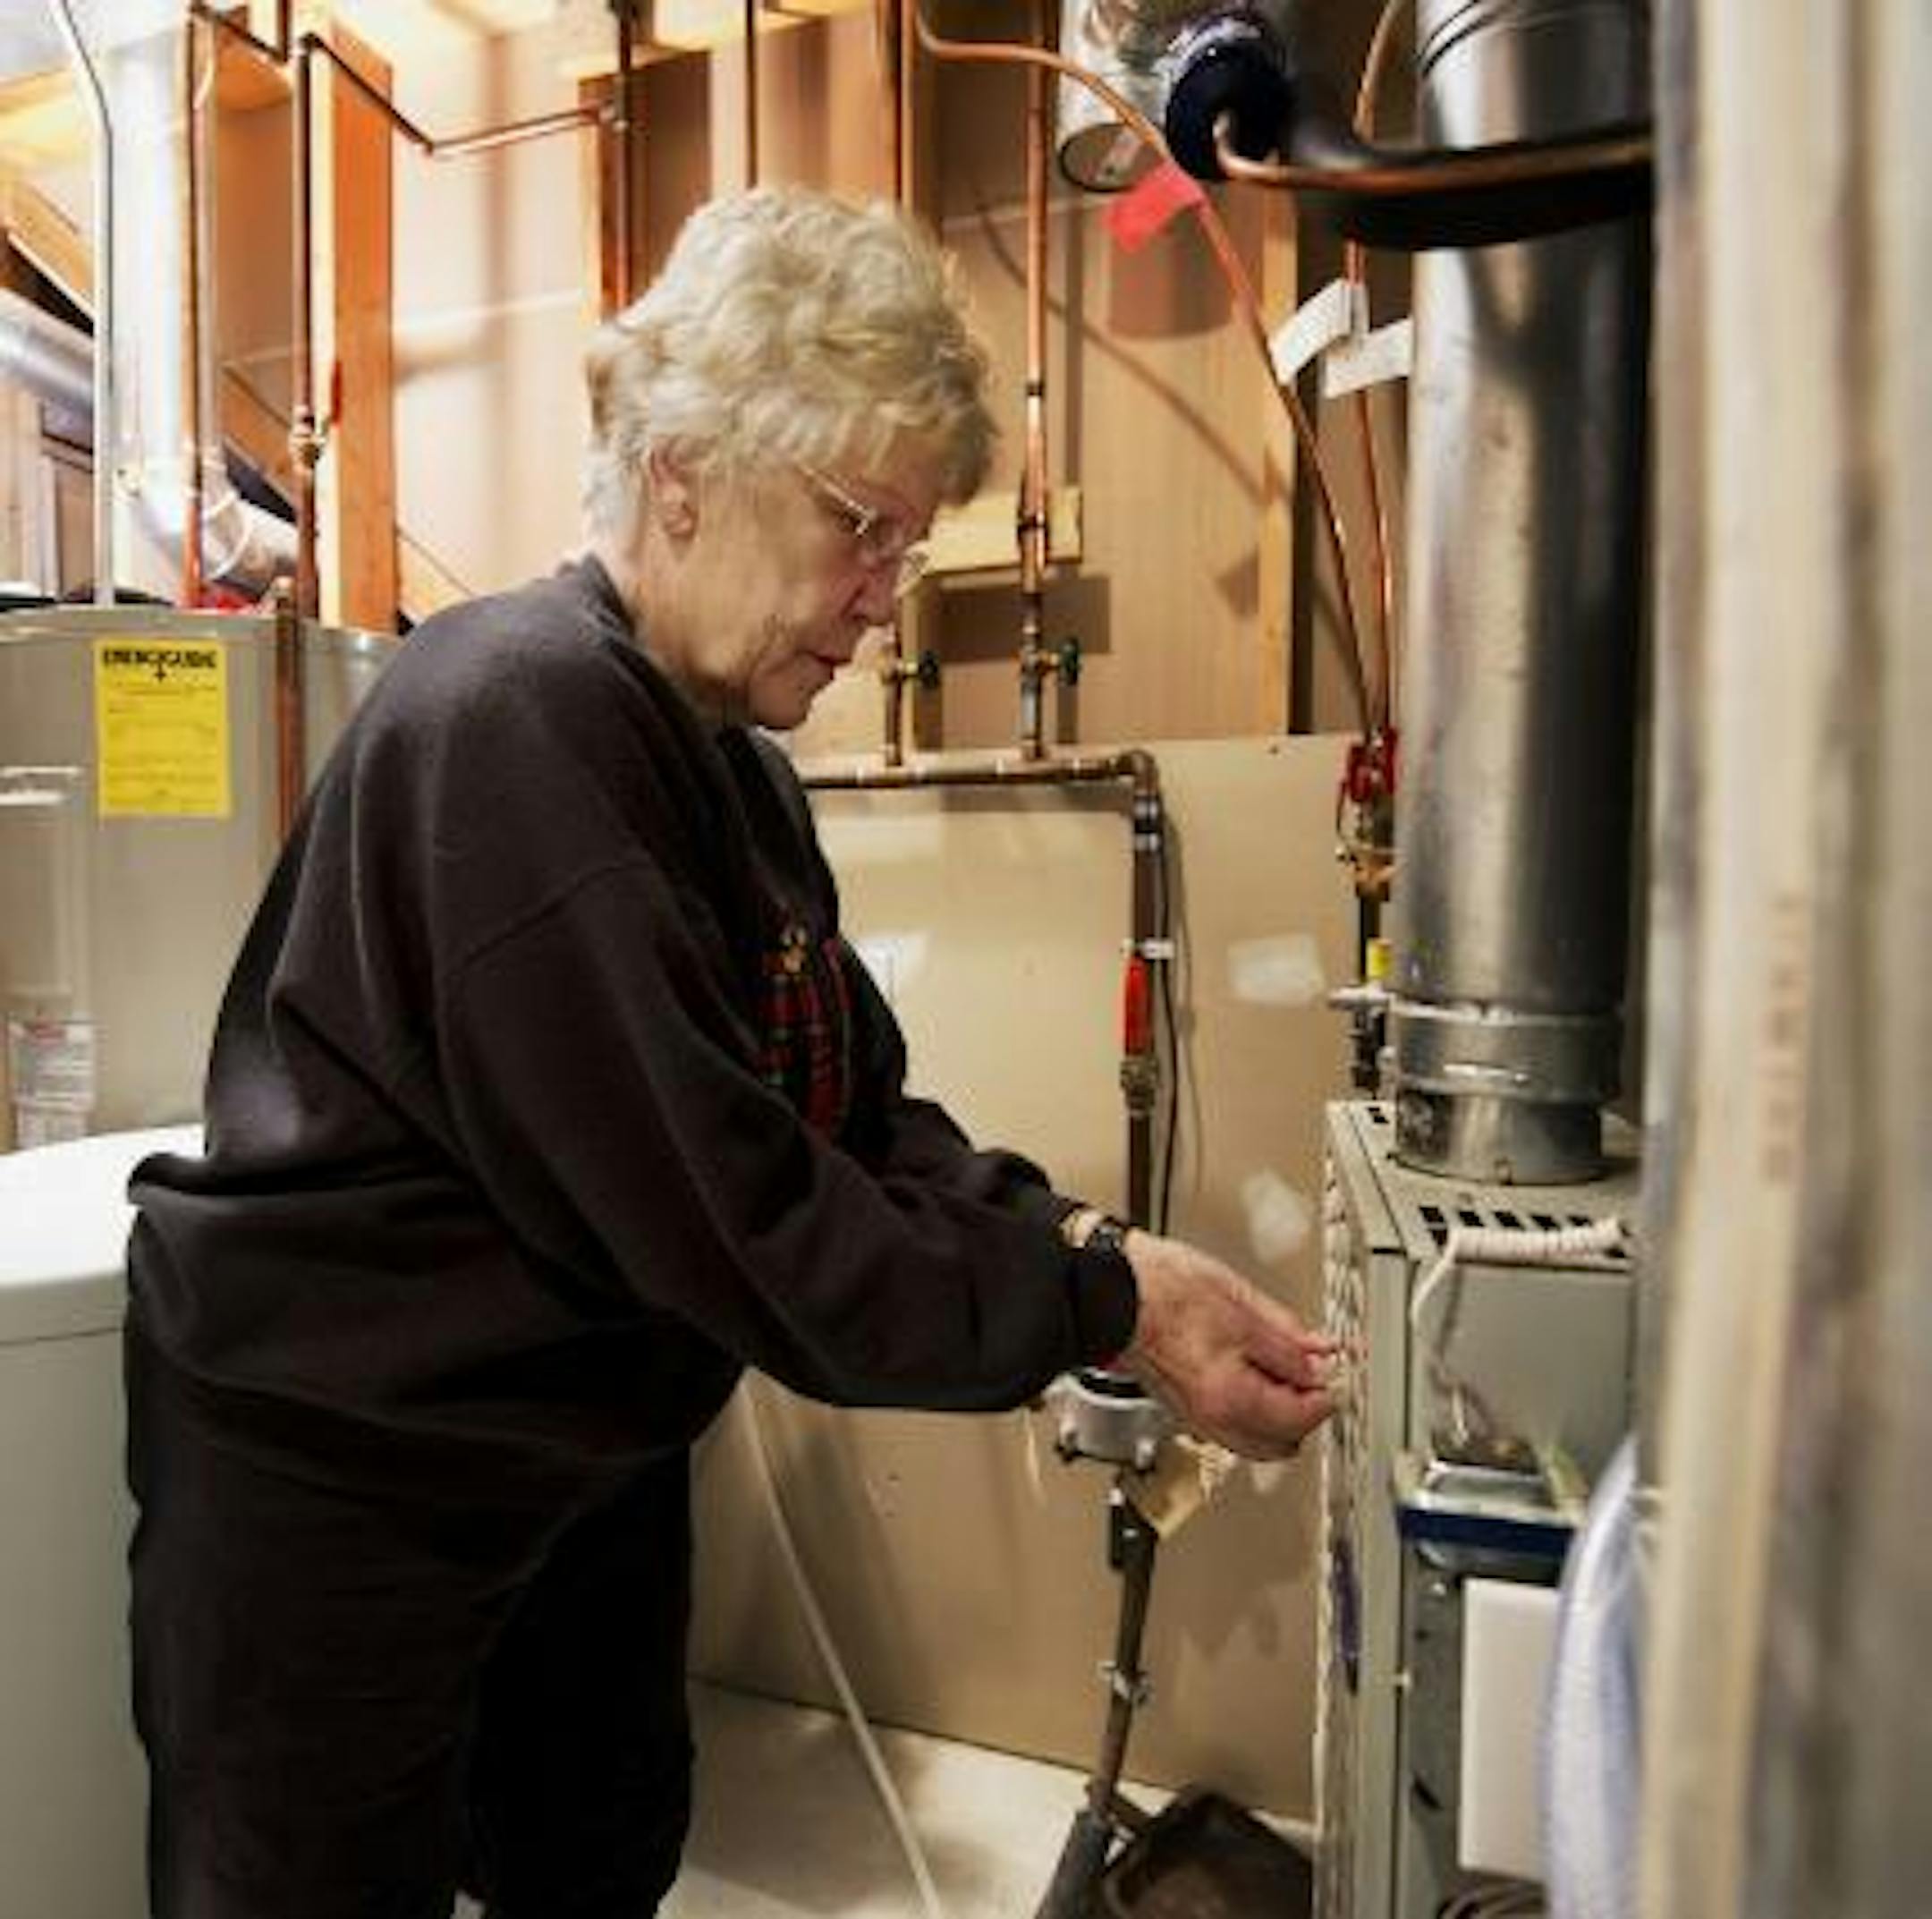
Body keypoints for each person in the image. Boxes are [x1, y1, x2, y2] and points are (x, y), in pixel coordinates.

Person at [125, 184, 1336, 1919]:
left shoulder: (739, 774)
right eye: (859, 524)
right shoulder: (515, 718)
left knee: (599, 1842)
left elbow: (854, 1111)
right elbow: (754, 1223)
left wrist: (1087, 1245)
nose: (882, 594)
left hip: (567, 1435)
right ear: (683, 469)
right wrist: (1111, 1306)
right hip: (346, 1456)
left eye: (909, 544)